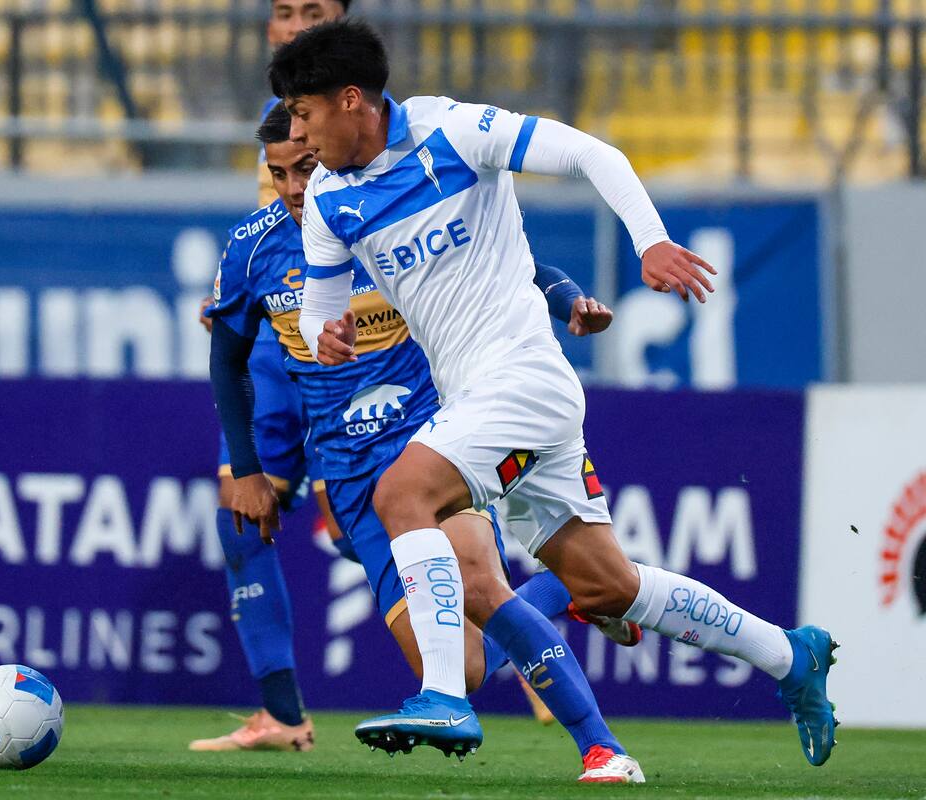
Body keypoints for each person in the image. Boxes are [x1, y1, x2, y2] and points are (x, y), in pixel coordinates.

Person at [272, 19, 839, 769]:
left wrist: (650, 241)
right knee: (606, 587)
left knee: (402, 494)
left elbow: (591, 153)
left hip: (524, 379)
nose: (298, 135)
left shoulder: (453, 131)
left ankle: (443, 695)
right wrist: (327, 333)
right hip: (476, 400)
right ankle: (790, 655)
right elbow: (319, 306)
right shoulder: (327, 199)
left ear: (351, 99)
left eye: (304, 113)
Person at [210, 102, 646, 783]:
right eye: (278, 173)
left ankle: (601, 747)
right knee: (465, 667)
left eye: (305, 167)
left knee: (480, 586)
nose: (294, 187)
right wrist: (245, 467)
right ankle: (565, 589)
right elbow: (227, 357)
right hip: (348, 468)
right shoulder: (253, 248)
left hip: (433, 438)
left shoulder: (373, 208)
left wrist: (566, 298)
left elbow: (508, 263)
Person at [187, 0, 355, 753]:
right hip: (277, 355)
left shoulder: (364, 118)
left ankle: (525, 608)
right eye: (285, 12)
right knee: (242, 514)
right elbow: (267, 239)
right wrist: (237, 295)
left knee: (366, 534)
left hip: (354, 350)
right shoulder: (277, 118)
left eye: (314, 11)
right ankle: (284, 714)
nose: (297, 25)